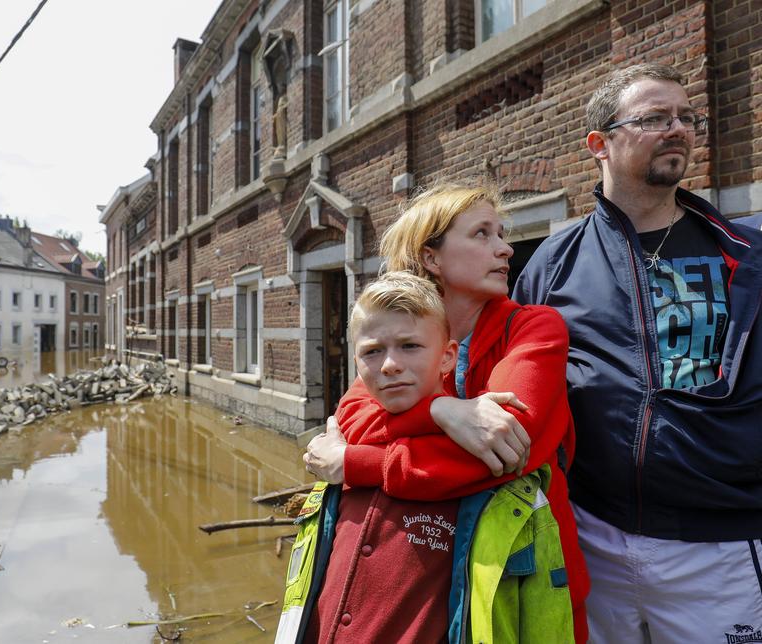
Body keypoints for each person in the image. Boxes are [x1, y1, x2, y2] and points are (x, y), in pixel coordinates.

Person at [513, 63, 762, 642]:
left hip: (718, 547)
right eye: (654, 118)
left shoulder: (745, 255)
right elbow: (504, 376)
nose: (678, 128)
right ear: (599, 144)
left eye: (686, 117)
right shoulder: (551, 264)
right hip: (591, 535)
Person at [302, 183, 589, 642]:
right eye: (482, 234)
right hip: (419, 584)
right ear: (431, 257)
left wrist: (357, 462)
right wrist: (445, 412)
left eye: (500, 233)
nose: (505, 248)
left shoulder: (533, 328)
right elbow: (354, 415)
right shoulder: (402, 331)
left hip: (515, 582)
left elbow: (504, 450)